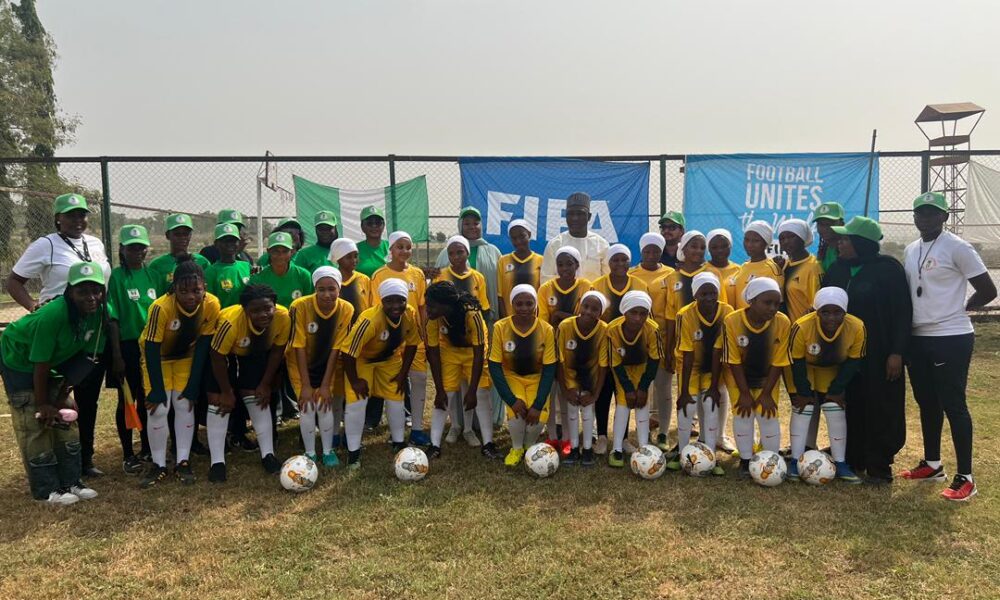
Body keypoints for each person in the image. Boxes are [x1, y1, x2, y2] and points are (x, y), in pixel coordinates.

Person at [899, 192, 997, 501]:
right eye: (920, 213)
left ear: (944, 217)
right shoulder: (911, 248)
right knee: (927, 403)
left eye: (932, 213)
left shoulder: (957, 247)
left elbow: (988, 289)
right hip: (918, 337)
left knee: (954, 405)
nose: (925, 218)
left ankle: (966, 477)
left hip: (950, 337)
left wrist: (963, 308)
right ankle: (932, 463)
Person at [7, 193, 112, 477]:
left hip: (89, 327)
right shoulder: (46, 244)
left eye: (82, 214)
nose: (78, 220)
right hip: (58, 327)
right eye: (71, 215)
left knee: (85, 395)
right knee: (49, 395)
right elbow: (14, 281)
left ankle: (84, 458)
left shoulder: (96, 244)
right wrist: (32, 305)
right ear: (58, 218)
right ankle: (50, 464)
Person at [0, 261, 105, 505]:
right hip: (20, 360)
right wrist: (43, 403)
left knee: (66, 417)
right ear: (70, 291)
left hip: (55, 361)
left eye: (95, 290)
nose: (90, 297)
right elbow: (40, 363)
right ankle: (46, 490)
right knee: (34, 421)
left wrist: (58, 399)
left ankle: (71, 481)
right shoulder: (53, 314)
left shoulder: (100, 311)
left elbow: (88, 358)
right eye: (82, 291)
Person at [822, 217, 911, 485]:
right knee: (851, 403)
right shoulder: (837, 270)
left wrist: (897, 352)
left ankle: (879, 465)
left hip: (880, 354)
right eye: (839, 239)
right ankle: (852, 458)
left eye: (845, 239)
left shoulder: (888, 270)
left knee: (880, 405)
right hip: (845, 355)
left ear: (861, 243)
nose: (839, 243)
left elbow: (902, 314)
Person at [139, 256, 221, 487]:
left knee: (185, 404)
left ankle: (183, 461)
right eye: (184, 291)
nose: (191, 296)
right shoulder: (160, 307)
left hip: (186, 357)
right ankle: (158, 464)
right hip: (159, 360)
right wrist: (155, 389)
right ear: (174, 289)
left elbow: (204, 344)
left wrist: (194, 383)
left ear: (204, 287)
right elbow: (152, 348)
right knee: (158, 409)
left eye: (196, 290)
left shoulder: (212, 304)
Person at [205, 285, 290, 482]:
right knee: (218, 400)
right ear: (245, 310)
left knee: (258, 396)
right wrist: (226, 391)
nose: (263, 314)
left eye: (267, 308)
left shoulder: (283, 317)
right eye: (255, 310)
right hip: (224, 356)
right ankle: (217, 462)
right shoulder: (230, 322)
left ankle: (268, 454)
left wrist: (265, 383)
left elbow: (278, 351)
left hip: (255, 353)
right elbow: (216, 356)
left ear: (274, 306)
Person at [340, 279, 421, 469]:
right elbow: (348, 352)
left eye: (400, 300)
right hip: (362, 360)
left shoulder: (409, 313)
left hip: (389, 360)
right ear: (381, 301)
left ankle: (399, 442)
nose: (395, 306)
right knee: (357, 402)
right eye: (390, 301)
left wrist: (403, 374)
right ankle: (353, 451)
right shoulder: (369, 320)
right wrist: (355, 380)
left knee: (396, 397)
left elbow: (412, 343)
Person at [787, 287, 864, 483]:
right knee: (804, 407)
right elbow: (796, 362)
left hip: (832, 370)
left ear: (845, 313)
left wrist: (837, 391)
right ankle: (795, 461)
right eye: (825, 312)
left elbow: (853, 362)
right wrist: (803, 392)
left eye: (837, 312)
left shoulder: (856, 327)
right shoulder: (801, 326)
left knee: (833, 408)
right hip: (805, 368)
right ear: (816, 311)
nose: (831, 318)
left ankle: (840, 463)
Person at [721, 277, 791, 478]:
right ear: (751, 301)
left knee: (768, 414)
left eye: (777, 303)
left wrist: (766, 393)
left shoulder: (782, 322)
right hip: (738, 376)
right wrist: (744, 393)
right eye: (767, 302)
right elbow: (733, 361)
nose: (773, 308)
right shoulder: (732, 320)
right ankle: (745, 460)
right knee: (743, 413)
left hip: (766, 377)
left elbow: (779, 362)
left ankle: (771, 459)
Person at [286, 267, 354, 468]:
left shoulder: (346, 309)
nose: (326, 294)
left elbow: (336, 348)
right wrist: (306, 385)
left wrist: (325, 385)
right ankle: (309, 452)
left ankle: (327, 451)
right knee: (307, 406)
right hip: (300, 364)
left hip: (327, 363)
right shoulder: (299, 306)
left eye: (331, 289)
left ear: (339, 289)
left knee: (324, 404)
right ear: (314, 288)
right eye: (321, 289)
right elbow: (298, 346)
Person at [425, 281, 500, 460]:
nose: (428, 310)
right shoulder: (433, 320)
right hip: (450, 352)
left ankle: (488, 443)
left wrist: (472, 390)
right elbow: (433, 354)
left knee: (481, 394)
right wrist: (440, 389)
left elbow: (479, 354)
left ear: (445, 305)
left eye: (432, 306)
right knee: (445, 397)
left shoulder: (472, 315)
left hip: (473, 353)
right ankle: (434, 445)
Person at [665, 272, 731, 475]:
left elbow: (720, 350)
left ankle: (710, 457)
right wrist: (683, 391)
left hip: (714, 368)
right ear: (695, 295)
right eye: (704, 294)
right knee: (686, 408)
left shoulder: (726, 312)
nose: (709, 297)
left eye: (713, 293)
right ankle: (683, 453)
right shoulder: (685, 314)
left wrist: (713, 387)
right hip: (690, 368)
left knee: (711, 406)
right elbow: (687, 354)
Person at [106, 225, 157, 475]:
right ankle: (128, 453)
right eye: (131, 247)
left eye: (141, 247)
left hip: (150, 346)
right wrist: (116, 356)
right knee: (126, 400)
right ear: (122, 250)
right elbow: (112, 318)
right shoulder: (116, 277)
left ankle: (147, 446)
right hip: (126, 347)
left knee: (146, 398)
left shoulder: (152, 274)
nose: (137, 252)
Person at [489, 284, 558, 468]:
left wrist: (538, 405)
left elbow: (550, 369)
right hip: (513, 376)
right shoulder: (500, 327)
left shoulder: (546, 329)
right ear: (512, 304)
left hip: (537, 378)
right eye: (519, 304)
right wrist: (511, 400)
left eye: (529, 303)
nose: (525, 308)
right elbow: (495, 366)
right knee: (518, 414)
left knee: (536, 419)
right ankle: (517, 448)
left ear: (536, 304)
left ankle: (530, 447)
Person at [371, 231, 429, 445]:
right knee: (394, 382)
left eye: (407, 247)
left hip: (414, 338)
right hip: (392, 339)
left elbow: (422, 306)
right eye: (399, 247)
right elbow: (377, 309)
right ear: (391, 249)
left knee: (419, 379)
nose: (404, 251)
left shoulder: (418, 274)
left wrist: (423, 332)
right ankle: (395, 428)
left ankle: (417, 428)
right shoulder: (379, 275)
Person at [590, 244, 647, 455]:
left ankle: (622, 439)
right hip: (604, 348)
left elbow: (645, 315)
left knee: (623, 394)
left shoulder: (639, 284)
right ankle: (603, 436)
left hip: (630, 350)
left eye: (624, 259)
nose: (620, 264)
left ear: (630, 261)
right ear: (608, 262)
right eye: (615, 259)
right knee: (604, 391)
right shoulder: (597, 285)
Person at [537, 246, 593, 455]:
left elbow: (587, 319)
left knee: (566, 392)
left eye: (569, 264)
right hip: (551, 347)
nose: (564, 268)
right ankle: (552, 436)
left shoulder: (586, 286)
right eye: (560, 264)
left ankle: (569, 437)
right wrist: (562, 316)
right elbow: (545, 323)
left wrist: (560, 314)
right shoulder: (546, 289)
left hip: (577, 348)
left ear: (577, 265)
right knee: (550, 393)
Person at [657, 231, 708, 453]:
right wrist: (669, 350)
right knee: (683, 392)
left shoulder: (711, 274)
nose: (697, 251)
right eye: (693, 247)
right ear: (683, 249)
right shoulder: (671, 278)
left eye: (701, 247)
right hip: (681, 346)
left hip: (707, 346)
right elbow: (670, 317)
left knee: (708, 394)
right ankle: (682, 442)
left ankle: (708, 439)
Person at [604, 290, 660, 468]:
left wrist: (643, 387)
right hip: (623, 371)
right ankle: (617, 449)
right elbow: (615, 364)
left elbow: (654, 360)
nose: (638, 318)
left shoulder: (652, 329)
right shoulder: (612, 329)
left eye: (643, 313)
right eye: (633, 313)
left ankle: (644, 446)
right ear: (624, 312)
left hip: (643, 369)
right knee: (623, 403)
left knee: (642, 403)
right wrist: (628, 389)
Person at [556, 290, 609, 467]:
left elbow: (603, 365)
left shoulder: (603, 330)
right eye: (585, 306)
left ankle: (587, 450)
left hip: (590, 381)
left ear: (600, 313)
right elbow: (559, 360)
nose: (588, 311)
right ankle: (573, 449)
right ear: (579, 305)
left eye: (595, 309)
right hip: (569, 380)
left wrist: (594, 395)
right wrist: (565, 390)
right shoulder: (565, 326)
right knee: (571, 410)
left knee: (587, 411)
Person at [703, 228, 739, 454]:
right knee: (708, 385)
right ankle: (707, 433)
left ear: (731, 246)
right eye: (714, 247)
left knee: (724, 385)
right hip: (707, 335)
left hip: (734, 337)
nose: (718, 250)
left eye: (723, 245)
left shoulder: (740, 270)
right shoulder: (703, 270)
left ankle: (721, 436)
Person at [434, 207, 502, 323]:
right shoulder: (446, 253)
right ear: (460, 226)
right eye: (467, 224)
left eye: (476, 223)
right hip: (452, 317)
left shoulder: (493, 251)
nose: (472, 227)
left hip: (486, 313)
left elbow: (500, 284)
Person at [540, 192, 610, 283]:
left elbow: (608, 280)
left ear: (589, 216)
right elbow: (546, 280)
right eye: (571, 214)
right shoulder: (555, 244)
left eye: (580, 214)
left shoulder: (601, 245)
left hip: (593, 295)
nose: (575, 218)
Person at [147, 213, 212, 296]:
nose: (182, 238)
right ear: (168, 235)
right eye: (177, 234)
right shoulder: (157, 265)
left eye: (186, 234)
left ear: (190, 235)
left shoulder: (202, 262)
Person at [249, 231, 313, 309]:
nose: (280, 255)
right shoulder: (257, 277)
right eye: (276, 251)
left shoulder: (304, 275)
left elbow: (309, 305)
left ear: (292, 252)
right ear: (268, 251)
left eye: (285, 251)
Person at [731, 221, 784, 310]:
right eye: (746, 240)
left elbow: (778, 304)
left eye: (755, 241)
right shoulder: (744, 266)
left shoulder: (772, 269)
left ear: (765, 243)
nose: (749, 245)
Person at [776, 219, 822, 322]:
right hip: (786, 330)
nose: (786, 241)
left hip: (804, 331)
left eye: (791, 236)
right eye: (782, 238)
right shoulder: (784, 265)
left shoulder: (813, 267)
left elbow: (817, 306)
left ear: (802, 238)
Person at [497, 219, 543, 319]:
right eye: (514, 238)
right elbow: (500, 295)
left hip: (534, 319)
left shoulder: (541, 261)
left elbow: (542, 293)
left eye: (522, 236)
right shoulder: (503, 261)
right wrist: (505, 320)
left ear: (529, 235)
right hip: (510, 319)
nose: (518, 241)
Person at [433, 235, 492, 313]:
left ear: (467, 253)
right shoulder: (440, 276)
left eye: (460, 252)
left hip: (472, 323)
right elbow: (435, 305)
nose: (456, 257)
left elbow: (484, 307)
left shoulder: (478, 277)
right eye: (451, 254)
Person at [204, 223, 252, 309]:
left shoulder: (247, 266)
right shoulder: (210, 272)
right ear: (216, 244)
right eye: (225, 240)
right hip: (224, 320)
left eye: (233, 240)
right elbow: (209, 303)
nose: (230, 244)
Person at [330, 238, 373, 324]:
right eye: (348, 257)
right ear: (338, 259)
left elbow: (371, 306)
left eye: (356, 256)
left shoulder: (364, 279)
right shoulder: (331, 280)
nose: (354, 260)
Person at [356, 205, 390, 278]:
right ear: (362, 226)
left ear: (383, 225)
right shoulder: (354, 250)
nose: (374, 226)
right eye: (369, 223)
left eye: (378, 223)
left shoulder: (392, 247)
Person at [812, 202, 845, 273]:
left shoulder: (850, 250)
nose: (824, 228)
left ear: (841, 224)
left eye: (829, 224)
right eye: (821, 224)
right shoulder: (824, 250)